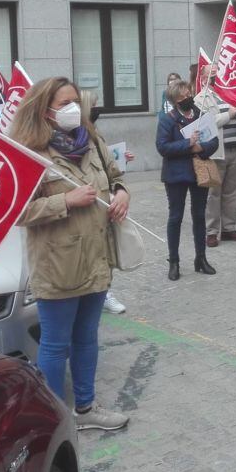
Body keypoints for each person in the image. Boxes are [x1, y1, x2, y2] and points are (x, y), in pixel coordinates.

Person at [10, 77, 130, 431]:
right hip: (57, 265)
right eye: (64, 104)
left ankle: (86, 408)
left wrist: (122, 193)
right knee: (55, 344)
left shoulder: (91, 139)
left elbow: (115, 174)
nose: (73, 109)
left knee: (87, 338)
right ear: (44, 110)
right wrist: (65, 200)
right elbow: (18, 211)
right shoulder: (28, 151)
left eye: (75, 101)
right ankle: (54, 420)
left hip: (96, 259)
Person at [156, 79, 219, 281]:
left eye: (188, 94)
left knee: (199, 216)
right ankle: (173, 261)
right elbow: (163, 147)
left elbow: (214, 140)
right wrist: (187, 144)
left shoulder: (200, 114)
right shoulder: (168, 119)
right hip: (176, 175)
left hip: (199, 172)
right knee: (175, 217)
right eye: (182, 97)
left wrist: (202, 147)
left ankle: (201, 258)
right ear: (175, 100)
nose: (187, 98)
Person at [80, 90, 135, 315]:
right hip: (88, 203)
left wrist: (121, 189)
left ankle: (104, 291)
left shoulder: (96, 133)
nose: (97, 109)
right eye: (93, 105)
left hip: (105, 198)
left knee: (106, 248)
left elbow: (109, 166)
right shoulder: (75, 137)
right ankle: (95, 292)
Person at [195, 65, 236, 247]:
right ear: (203, 78)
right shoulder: (200, 99)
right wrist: (229, 114)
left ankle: (228, 228)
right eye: (211, 73)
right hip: (216, 153)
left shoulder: (232, 92)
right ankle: (211, 231)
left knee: (233, 193)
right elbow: (205, 124)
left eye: (218, 72)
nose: (216, 75)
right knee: (213, 193)